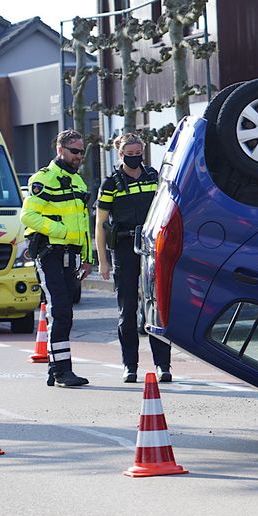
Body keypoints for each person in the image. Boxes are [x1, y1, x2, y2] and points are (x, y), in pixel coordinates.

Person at [95, 132, 171, 383]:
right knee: (127, 310)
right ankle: (130, 365)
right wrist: (103, 261)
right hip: (125, 248)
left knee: (157, 306)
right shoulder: (111, 184)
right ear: (120, 155)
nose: (135, 158)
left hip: (151, 247)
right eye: (130, 155)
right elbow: (101, 223)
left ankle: (163, 364)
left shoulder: (153, 177)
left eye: (139, 154)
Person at [21, 130, 93, 387]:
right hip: (51, 253)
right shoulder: (43, 179)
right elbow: (28, 217)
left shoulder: (78, 182)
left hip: (71, 256)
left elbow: (84, 224)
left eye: (82, 152)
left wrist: (88, 257)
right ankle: (62, 371)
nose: (79, 157)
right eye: (75, 151)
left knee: (65, 313)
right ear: (60, 149)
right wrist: (59, 231)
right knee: (60, 312)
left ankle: (56, 369)